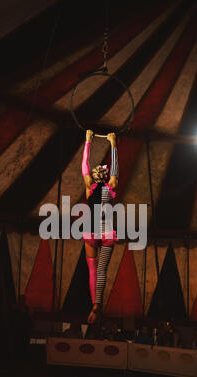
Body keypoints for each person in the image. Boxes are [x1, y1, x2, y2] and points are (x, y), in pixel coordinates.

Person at [82, 129, 119, 324]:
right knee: (102, 270)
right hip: (107, 233)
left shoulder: (89, 186)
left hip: (91, 232)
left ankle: (94, 305)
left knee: (92, 270)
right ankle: (98, 304)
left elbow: (84, 166)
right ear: (105, 177)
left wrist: (87, 141)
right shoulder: (111, 186)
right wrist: (113, 144)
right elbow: (116, 170)